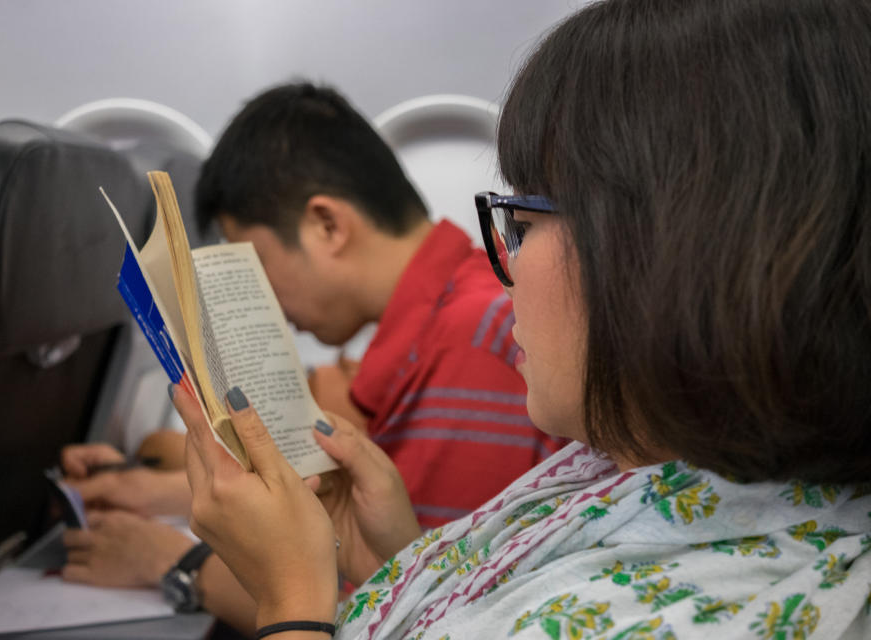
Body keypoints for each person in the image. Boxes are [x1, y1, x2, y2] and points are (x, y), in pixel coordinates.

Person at [175, 0, 871, 638]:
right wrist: (404, 561)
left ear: (663, 251)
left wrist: (289, 597)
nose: (504, 265)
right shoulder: (644, 468)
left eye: (527, 219)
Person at [61, 83, 562, 630]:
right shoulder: (450, 325)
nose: (266, 295)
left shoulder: (475, 348)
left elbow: (408, 623)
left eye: (252, 257)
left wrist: (177, 565)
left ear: (327, 226)